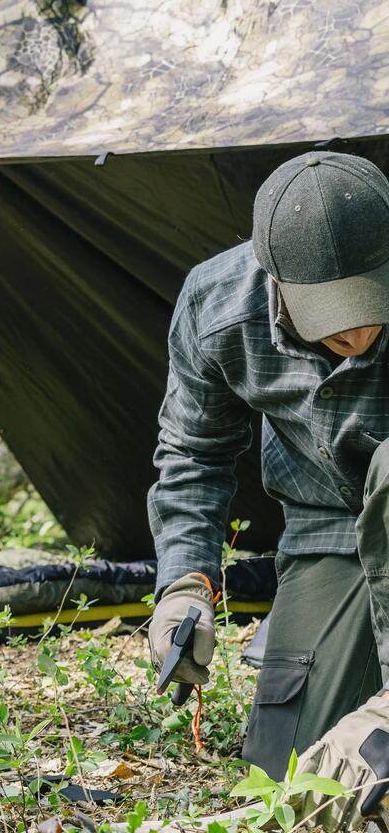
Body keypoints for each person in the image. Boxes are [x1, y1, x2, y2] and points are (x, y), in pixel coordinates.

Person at [147, 148, 389, 828]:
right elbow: (195, 454)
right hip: (330, 526)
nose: (356, 328)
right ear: (274, 280)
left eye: (370, 297)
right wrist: (185, 583)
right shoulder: (218, 305)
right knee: (290, 786)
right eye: (331, 309)